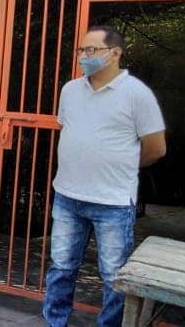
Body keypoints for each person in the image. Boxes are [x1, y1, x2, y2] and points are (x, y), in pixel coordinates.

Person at [42, 26, 166, 327]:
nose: (84, 56)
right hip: (67, 196)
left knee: (114, 276)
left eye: (91, 50)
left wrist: (120, 166)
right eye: (81, 51)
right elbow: (71, 132)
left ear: (115, 53)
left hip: (112, 201)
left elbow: (156, 148)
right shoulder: (70, 90)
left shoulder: (137, 94)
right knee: (61, 266)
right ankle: (54, 322)